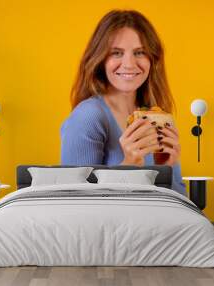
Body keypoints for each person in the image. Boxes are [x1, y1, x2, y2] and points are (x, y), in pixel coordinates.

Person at [60, 10, 186, 196]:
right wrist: (129, 165)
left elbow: (179, 201)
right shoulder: (88, 116)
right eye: (117, 53)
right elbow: (73, 199)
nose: (129, 64)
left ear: (152, 59)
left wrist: (165, 168)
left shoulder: (159, 119)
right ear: (100, 59)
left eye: (140, 52)